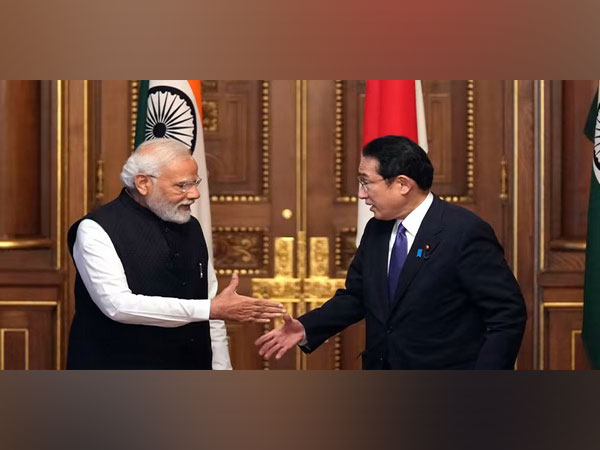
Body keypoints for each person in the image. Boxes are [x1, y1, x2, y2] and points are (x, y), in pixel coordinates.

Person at [256, 135, 527, 369]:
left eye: (366, 183)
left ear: (402, 184)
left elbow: (507, 314)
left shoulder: (463, 232)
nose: (361, 195)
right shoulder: (378, 229)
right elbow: (357, 296)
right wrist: (307, 327)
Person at [67, 138, 285, 369]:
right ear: (143, 183)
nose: (195, 194)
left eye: (195, 183)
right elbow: (117, 305)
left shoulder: (191, 225)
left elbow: (212, 305)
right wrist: (209, 309)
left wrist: (222, 369)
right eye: (183, 185)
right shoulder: (96, 229)